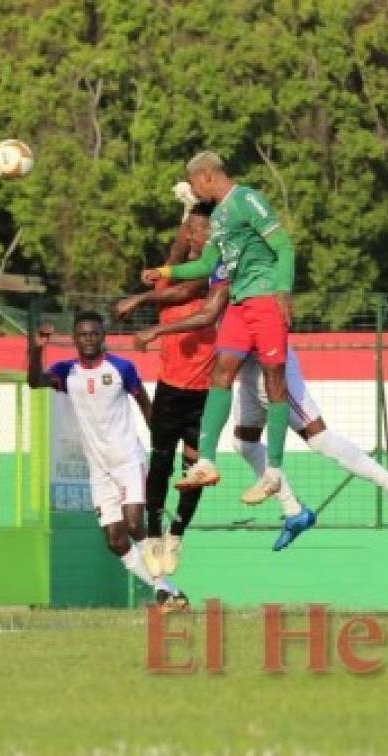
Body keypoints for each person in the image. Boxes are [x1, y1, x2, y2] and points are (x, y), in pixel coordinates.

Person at [133, 263, 388, 552]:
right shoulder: (216, 259)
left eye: (202, 227)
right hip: (243, 364)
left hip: (268, 363)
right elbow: (191, 282)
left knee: (317, 437)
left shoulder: (241, 261)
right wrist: (164, 273)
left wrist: (157, 328)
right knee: (244, 442)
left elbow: (208, 313)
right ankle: (294, 511)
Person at [140, 151, 303, 524]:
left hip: (264, 299)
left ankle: (274, 471)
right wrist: (164, 269)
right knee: (221, 372)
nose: (194, 189)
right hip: (240, 304)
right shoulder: (218, 217)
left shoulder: (247, 200)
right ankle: (206, 462)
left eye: (194, 182)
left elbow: (284, 247)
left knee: (274, 382)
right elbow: (206, 265)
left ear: (208, 176)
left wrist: (283, 290)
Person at [27, 311, 188, 613]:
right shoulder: (66, 371)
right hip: (98, 468)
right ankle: (167, 590)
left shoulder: (121, 368)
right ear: (74, 339)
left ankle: (160, 550)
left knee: (133, 522)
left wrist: (163, 446)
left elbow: (145, 406)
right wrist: (37, 348)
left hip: (127, 458)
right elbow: (35, 380)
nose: (88, 339)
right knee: (115, 540)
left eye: (94, 334)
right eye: (83, 334)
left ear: (103, 337)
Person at [114, 202, 218, 576]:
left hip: (205, 392)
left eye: (204, 230)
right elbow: (172, 265)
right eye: (193, 231)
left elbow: (183, 291)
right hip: (170, 390)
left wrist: (140, 299)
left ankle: (177, 533)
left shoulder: (214, 276)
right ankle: (156, 535)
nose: (198, 237)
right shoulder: (169, 275)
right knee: (159, 462)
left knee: (195, 468)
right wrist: (186, 214)